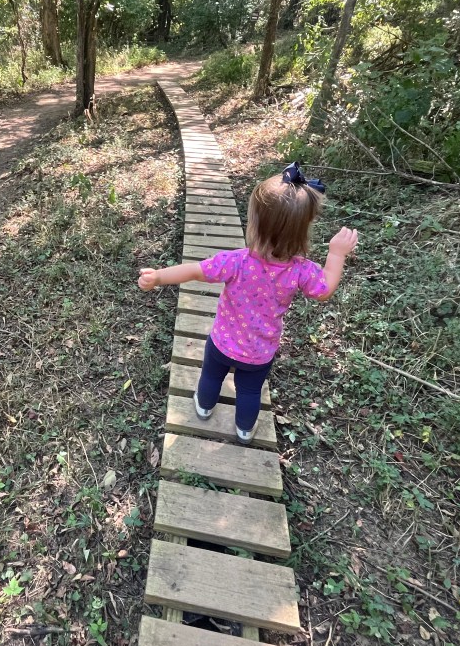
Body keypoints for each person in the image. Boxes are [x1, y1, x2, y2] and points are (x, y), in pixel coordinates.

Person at [137, 163, 358, 444]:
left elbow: (194, 270)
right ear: (303, 231)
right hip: (260, 352)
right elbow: (324, 290)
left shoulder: (236, 261)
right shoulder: (301, 271)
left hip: (222, 343)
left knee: (210, 377)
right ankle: (243, 430)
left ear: (254, 225)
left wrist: (157, 277)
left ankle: (204, 407)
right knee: (250, 392)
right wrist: (336, 254)